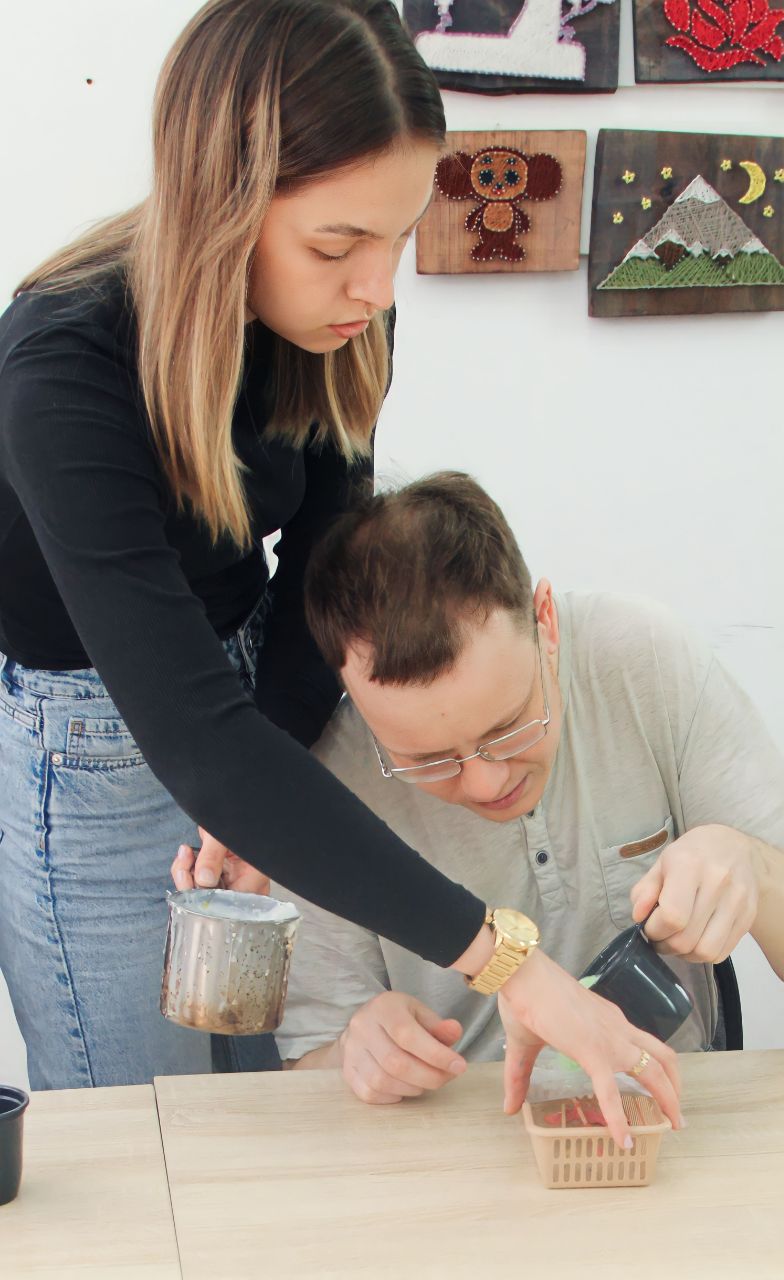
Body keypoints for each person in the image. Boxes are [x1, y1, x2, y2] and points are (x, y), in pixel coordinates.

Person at [0, 0, 678, 1145]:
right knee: (140, 1142)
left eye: (399, 237)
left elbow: (325, 554)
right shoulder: (61, 364)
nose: (376, 287)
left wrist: (261, 780)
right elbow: (195, 734)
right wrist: (511, 961)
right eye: (337, 246)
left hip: (260, 689)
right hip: (100, 746)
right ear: (223, 200)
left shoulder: (341, 318)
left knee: (266, 1130)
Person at [261, 472, 784, 1105]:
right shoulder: (322, 785)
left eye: (508, 728)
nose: (486, 782)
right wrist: (354, 1052)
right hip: (457, 1131)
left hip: (672, 1106)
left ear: (546, 623)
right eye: (427, 760)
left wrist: (757, 869)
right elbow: (308, 1066)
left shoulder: (645, 662)